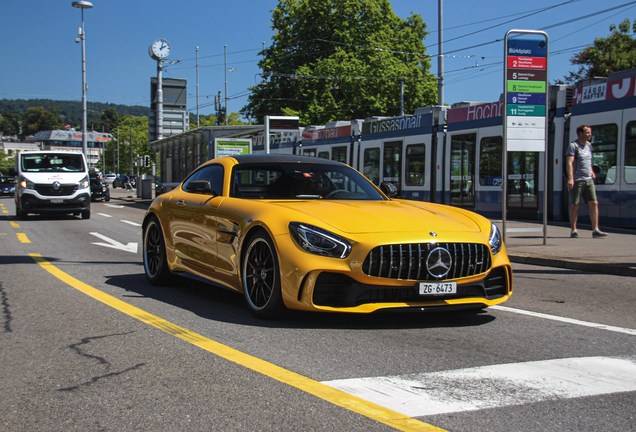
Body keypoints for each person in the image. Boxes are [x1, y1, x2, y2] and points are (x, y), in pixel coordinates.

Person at [566, 125, 607, 238]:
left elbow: (588, 160)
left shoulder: (588, 145)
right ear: (580, 133)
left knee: (594, 203)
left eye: (590, 132)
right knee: (575, 205)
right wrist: (570, 178)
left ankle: (595, 229)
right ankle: (574, 230)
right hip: (577, 180)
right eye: (588, 133)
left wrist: (591, 170)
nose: (590, 135)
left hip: (588, 179)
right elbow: (569, 162)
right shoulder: (573, 146)